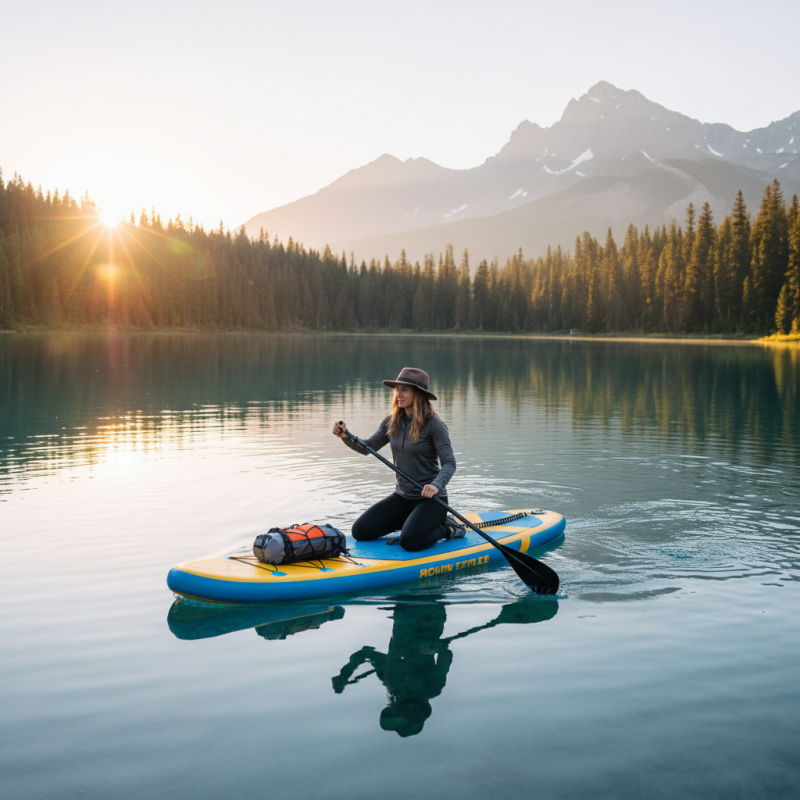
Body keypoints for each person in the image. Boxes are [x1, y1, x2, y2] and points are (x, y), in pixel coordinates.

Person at [332, 367, 464, 551]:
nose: (398, 394)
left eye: (404, 390)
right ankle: (411, 523)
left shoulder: (434, 425)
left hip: (431, 500)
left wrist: (436, 485)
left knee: (409, 542)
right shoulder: (391, 421)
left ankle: (450, 528)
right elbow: (368, 448)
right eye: (397, 389)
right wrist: (345, 436)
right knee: (360, 532)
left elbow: (450, 463)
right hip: (402, 498)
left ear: (417, 393)